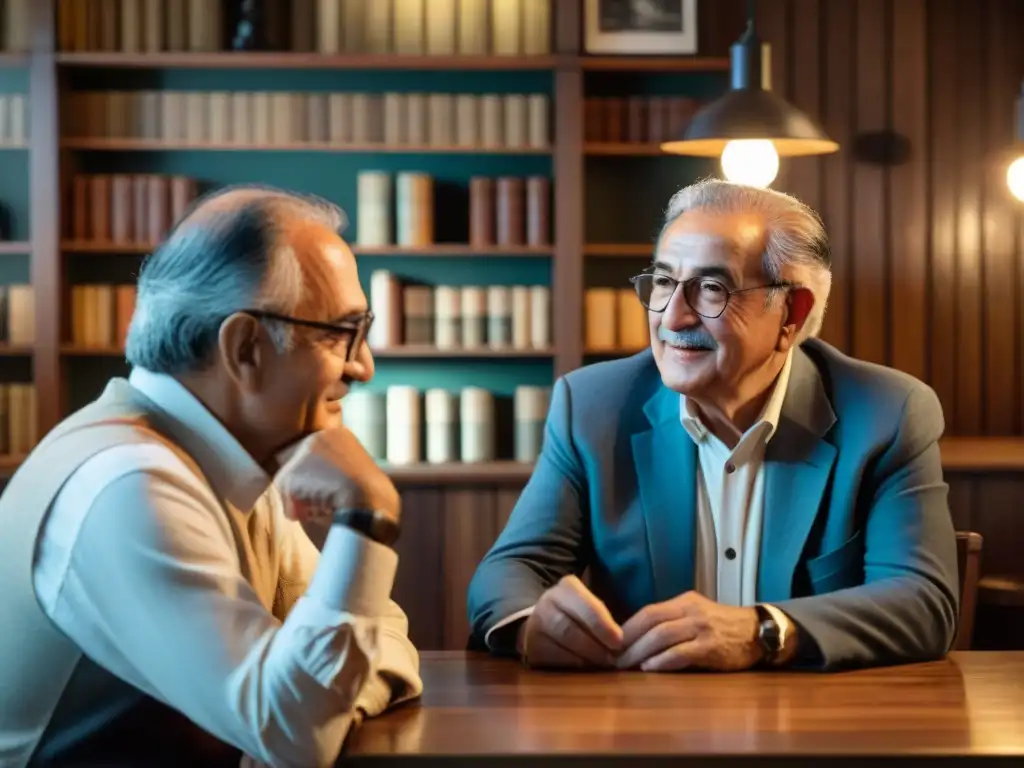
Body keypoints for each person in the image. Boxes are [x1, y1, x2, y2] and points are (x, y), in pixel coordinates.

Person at [0, 185, 422, 767]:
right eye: (340, 332)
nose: (364, 366)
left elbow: (382, 634)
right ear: (246, 347)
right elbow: (297, 734)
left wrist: (329, 701)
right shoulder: (129, 485)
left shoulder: (237, 461)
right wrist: (367, 515)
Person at [467, 179, 959, 673]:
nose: (673, 317)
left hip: (816, 730)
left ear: (791, 314)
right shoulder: (594, 406)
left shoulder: (886, 413)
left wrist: (763, 630)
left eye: (710, 288)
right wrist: (533, 625)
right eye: (662, 283)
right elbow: (510, 570)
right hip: (641, 728)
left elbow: (921, 601)